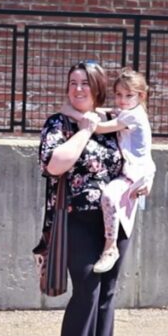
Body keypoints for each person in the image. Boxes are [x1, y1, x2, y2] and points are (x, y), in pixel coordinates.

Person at [40, 60, 145, 336]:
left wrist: (147, 180)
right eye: (73, 82)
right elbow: (54, 165)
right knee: (87, 287)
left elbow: (140, 154)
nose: (78, 89)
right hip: (77, 216)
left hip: (116, 218)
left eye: (85, 83)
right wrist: (85, 128)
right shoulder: (60, 123)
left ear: (98, 87)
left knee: (108, 290)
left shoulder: (117, 121)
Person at [59, 68, 156, 273]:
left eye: (129, 95)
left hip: (135, 172)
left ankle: (110, 248)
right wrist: (91, 111)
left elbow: (99, 127)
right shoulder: (128, 111)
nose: (122, 100)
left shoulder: (134, 116)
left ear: (141, 96)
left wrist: (72, 113)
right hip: (133, 171)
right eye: (119, 94)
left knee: (109, 197)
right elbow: (105, 113)